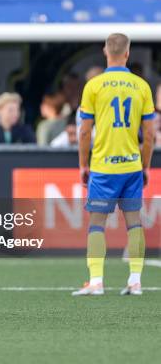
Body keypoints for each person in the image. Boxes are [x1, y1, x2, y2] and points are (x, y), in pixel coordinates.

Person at [72, 33, 155, 297]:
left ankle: (96, 282)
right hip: (131, 165)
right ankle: (135, 281)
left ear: (105, 51)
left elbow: (84, 132)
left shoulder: (94, 86)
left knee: (97, 223)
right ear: (128, 53)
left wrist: (83, 165)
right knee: (135, 223)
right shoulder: (141, 86)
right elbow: (150, 134)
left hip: (104, 167)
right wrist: (145, 166)